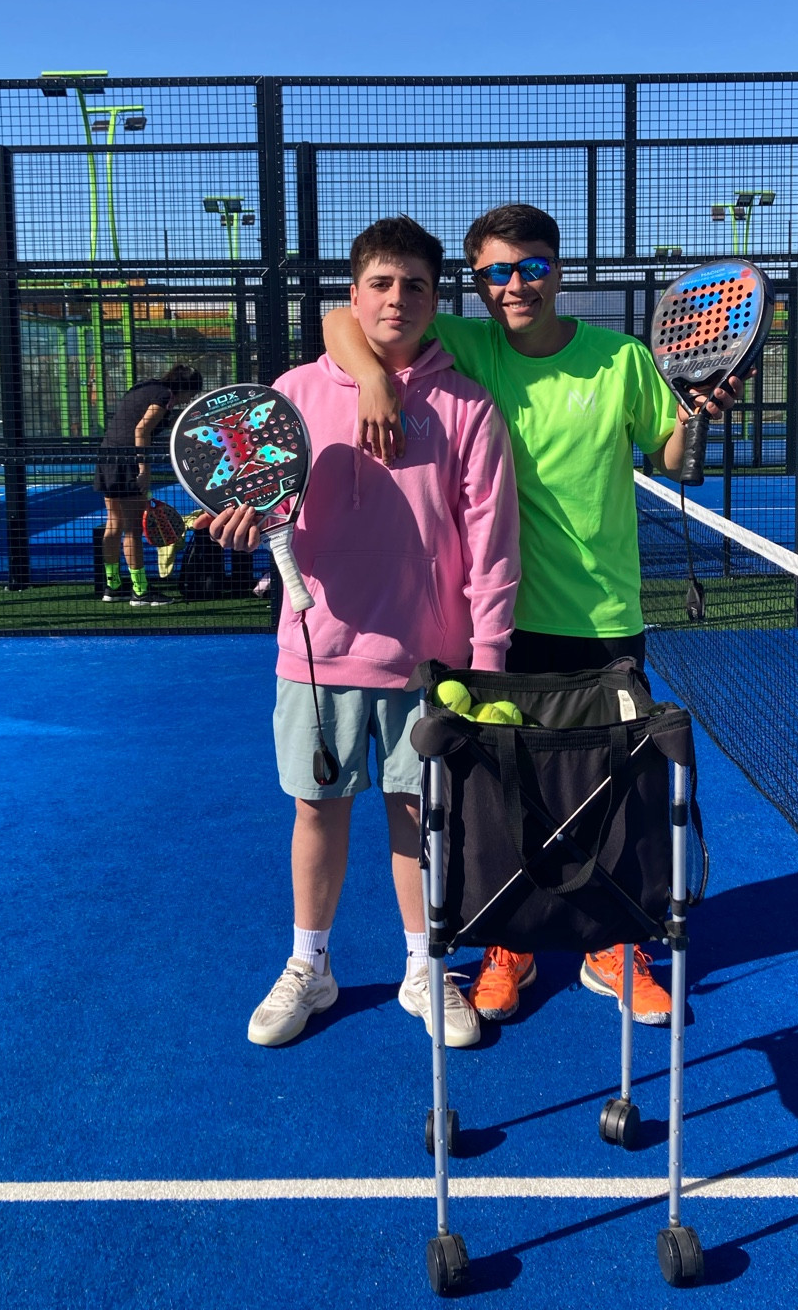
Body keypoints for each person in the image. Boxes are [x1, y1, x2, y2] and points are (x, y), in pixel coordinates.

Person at [324, 203, 746, 1027]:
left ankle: (610, 945)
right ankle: (507, 943)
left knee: (610, 791)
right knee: (504, 794)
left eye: (533, 267)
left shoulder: (621, 361)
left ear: (559, 271)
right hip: (498, 620)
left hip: (603, 615)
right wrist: (373, 379)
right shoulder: (466, 345)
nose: (516, 285)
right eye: (497, 273)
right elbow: (345, 320)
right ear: (479, 284)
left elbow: (671, 458)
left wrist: (697, 417)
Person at [204, 217, 519, 1048]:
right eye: (380, 283)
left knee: (419, 817)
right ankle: (310, 965)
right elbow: (266, 508)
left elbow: (491, 546)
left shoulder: (468, 407)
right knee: (317, 812)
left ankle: (424, 967)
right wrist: (244, 529)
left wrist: (486, 664)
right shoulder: (294, 394)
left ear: (436, 300)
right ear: (354, 294)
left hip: (427, 662)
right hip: (317, 653)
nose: (396, 298)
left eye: (415, 285)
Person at [96, 364, 202, 606]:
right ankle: (141, 591)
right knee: (132, 529)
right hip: (128, 461)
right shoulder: (164, 396)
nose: (190, 399)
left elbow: (135, 421)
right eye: (192, 394)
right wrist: (144, 469)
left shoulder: (147, 387)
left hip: (108, 457)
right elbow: (141, 429)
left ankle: (112, 586)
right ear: (184, 388)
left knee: (114, 524)